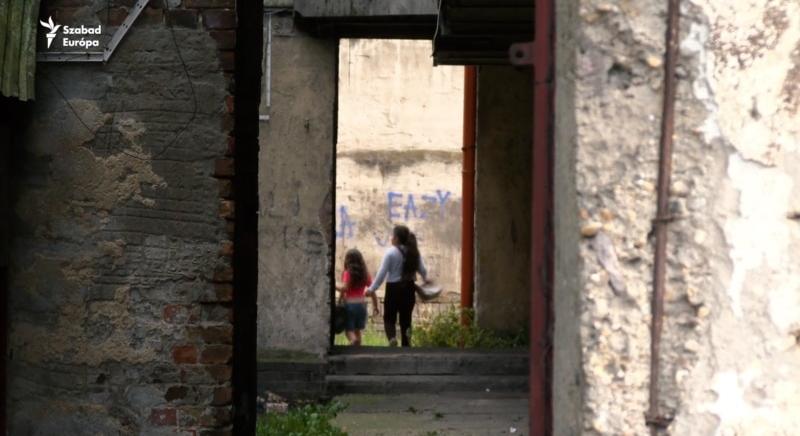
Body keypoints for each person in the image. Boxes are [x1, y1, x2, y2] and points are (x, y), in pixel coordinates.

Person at [366, 225, 428, 347]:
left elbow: (381, 274)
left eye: (393, 236)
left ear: (397, 238)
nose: (391, 238)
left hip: (393, 289)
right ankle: (406, 343)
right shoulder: (414, 252)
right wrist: (427, 282)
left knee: (389, 317)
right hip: (409, 288)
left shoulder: (390, 253)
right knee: (406, 320)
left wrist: (371, 289)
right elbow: (423, 271)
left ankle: (392, 338)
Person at [336, 249, 379, 346]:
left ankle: (353, 340)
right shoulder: (365, 274)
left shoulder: (347, 273)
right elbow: (372, 291)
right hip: (362, 306)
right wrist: (375, 306)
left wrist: (334, 286)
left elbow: (344, 289)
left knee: (349, 330)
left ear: (347, 260)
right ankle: (357, 347)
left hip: (350, 306)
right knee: (357, 330)